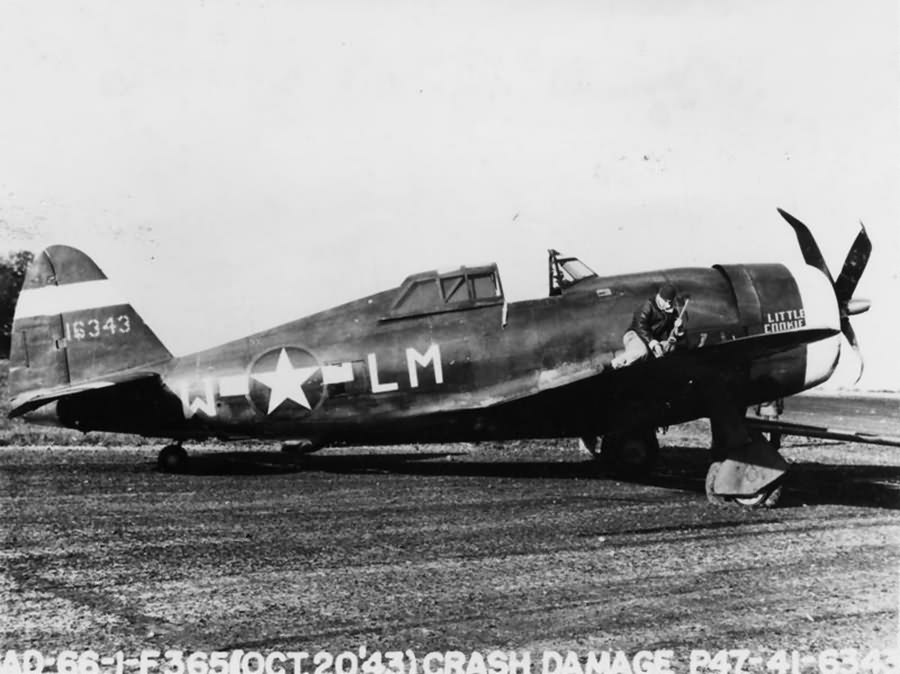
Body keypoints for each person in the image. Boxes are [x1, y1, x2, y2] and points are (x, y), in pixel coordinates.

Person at [611, 283, 685, 369]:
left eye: (670, 302)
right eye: (666, 302)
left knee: (670, 348)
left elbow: (671, 335)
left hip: (652, 339)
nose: (668, 305)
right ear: (659, 297)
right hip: (635, 335)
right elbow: (640, 326)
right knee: (642, 351)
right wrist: (653, 343)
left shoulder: (672, 312)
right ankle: (617, 363)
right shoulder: (648, 305)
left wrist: (678, 329)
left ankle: (625, 355)